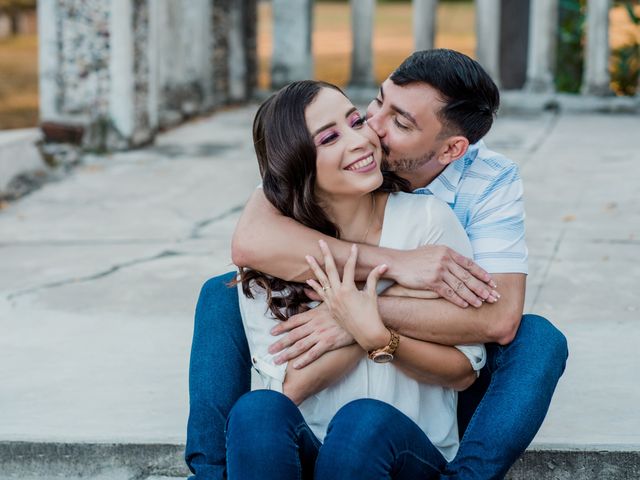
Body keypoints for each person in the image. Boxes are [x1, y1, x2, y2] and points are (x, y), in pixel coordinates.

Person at [185, 49, 568, 480]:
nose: (373, 131)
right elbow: (252, 241)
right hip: (334, 395)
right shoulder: (320, 159)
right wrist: (400, 269)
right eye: (376, 103)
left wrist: (360, 316)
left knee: (538, 339)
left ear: (450, 148)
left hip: (425, 393)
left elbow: (498, 320)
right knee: (223, 294)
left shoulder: (478, 189)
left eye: (401, 123)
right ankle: (210, 474)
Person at [227, 79, 486, 479]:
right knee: (255, 410)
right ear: (298, 163)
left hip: (406, 452)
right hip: (313, 449)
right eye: (330, 138)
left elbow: (464, 369)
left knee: (362, 423)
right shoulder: (277, 254)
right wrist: (358, 322)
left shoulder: (427, 224)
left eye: (356, 120)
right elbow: (287, 388)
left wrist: (375, 333)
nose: (361, 140)